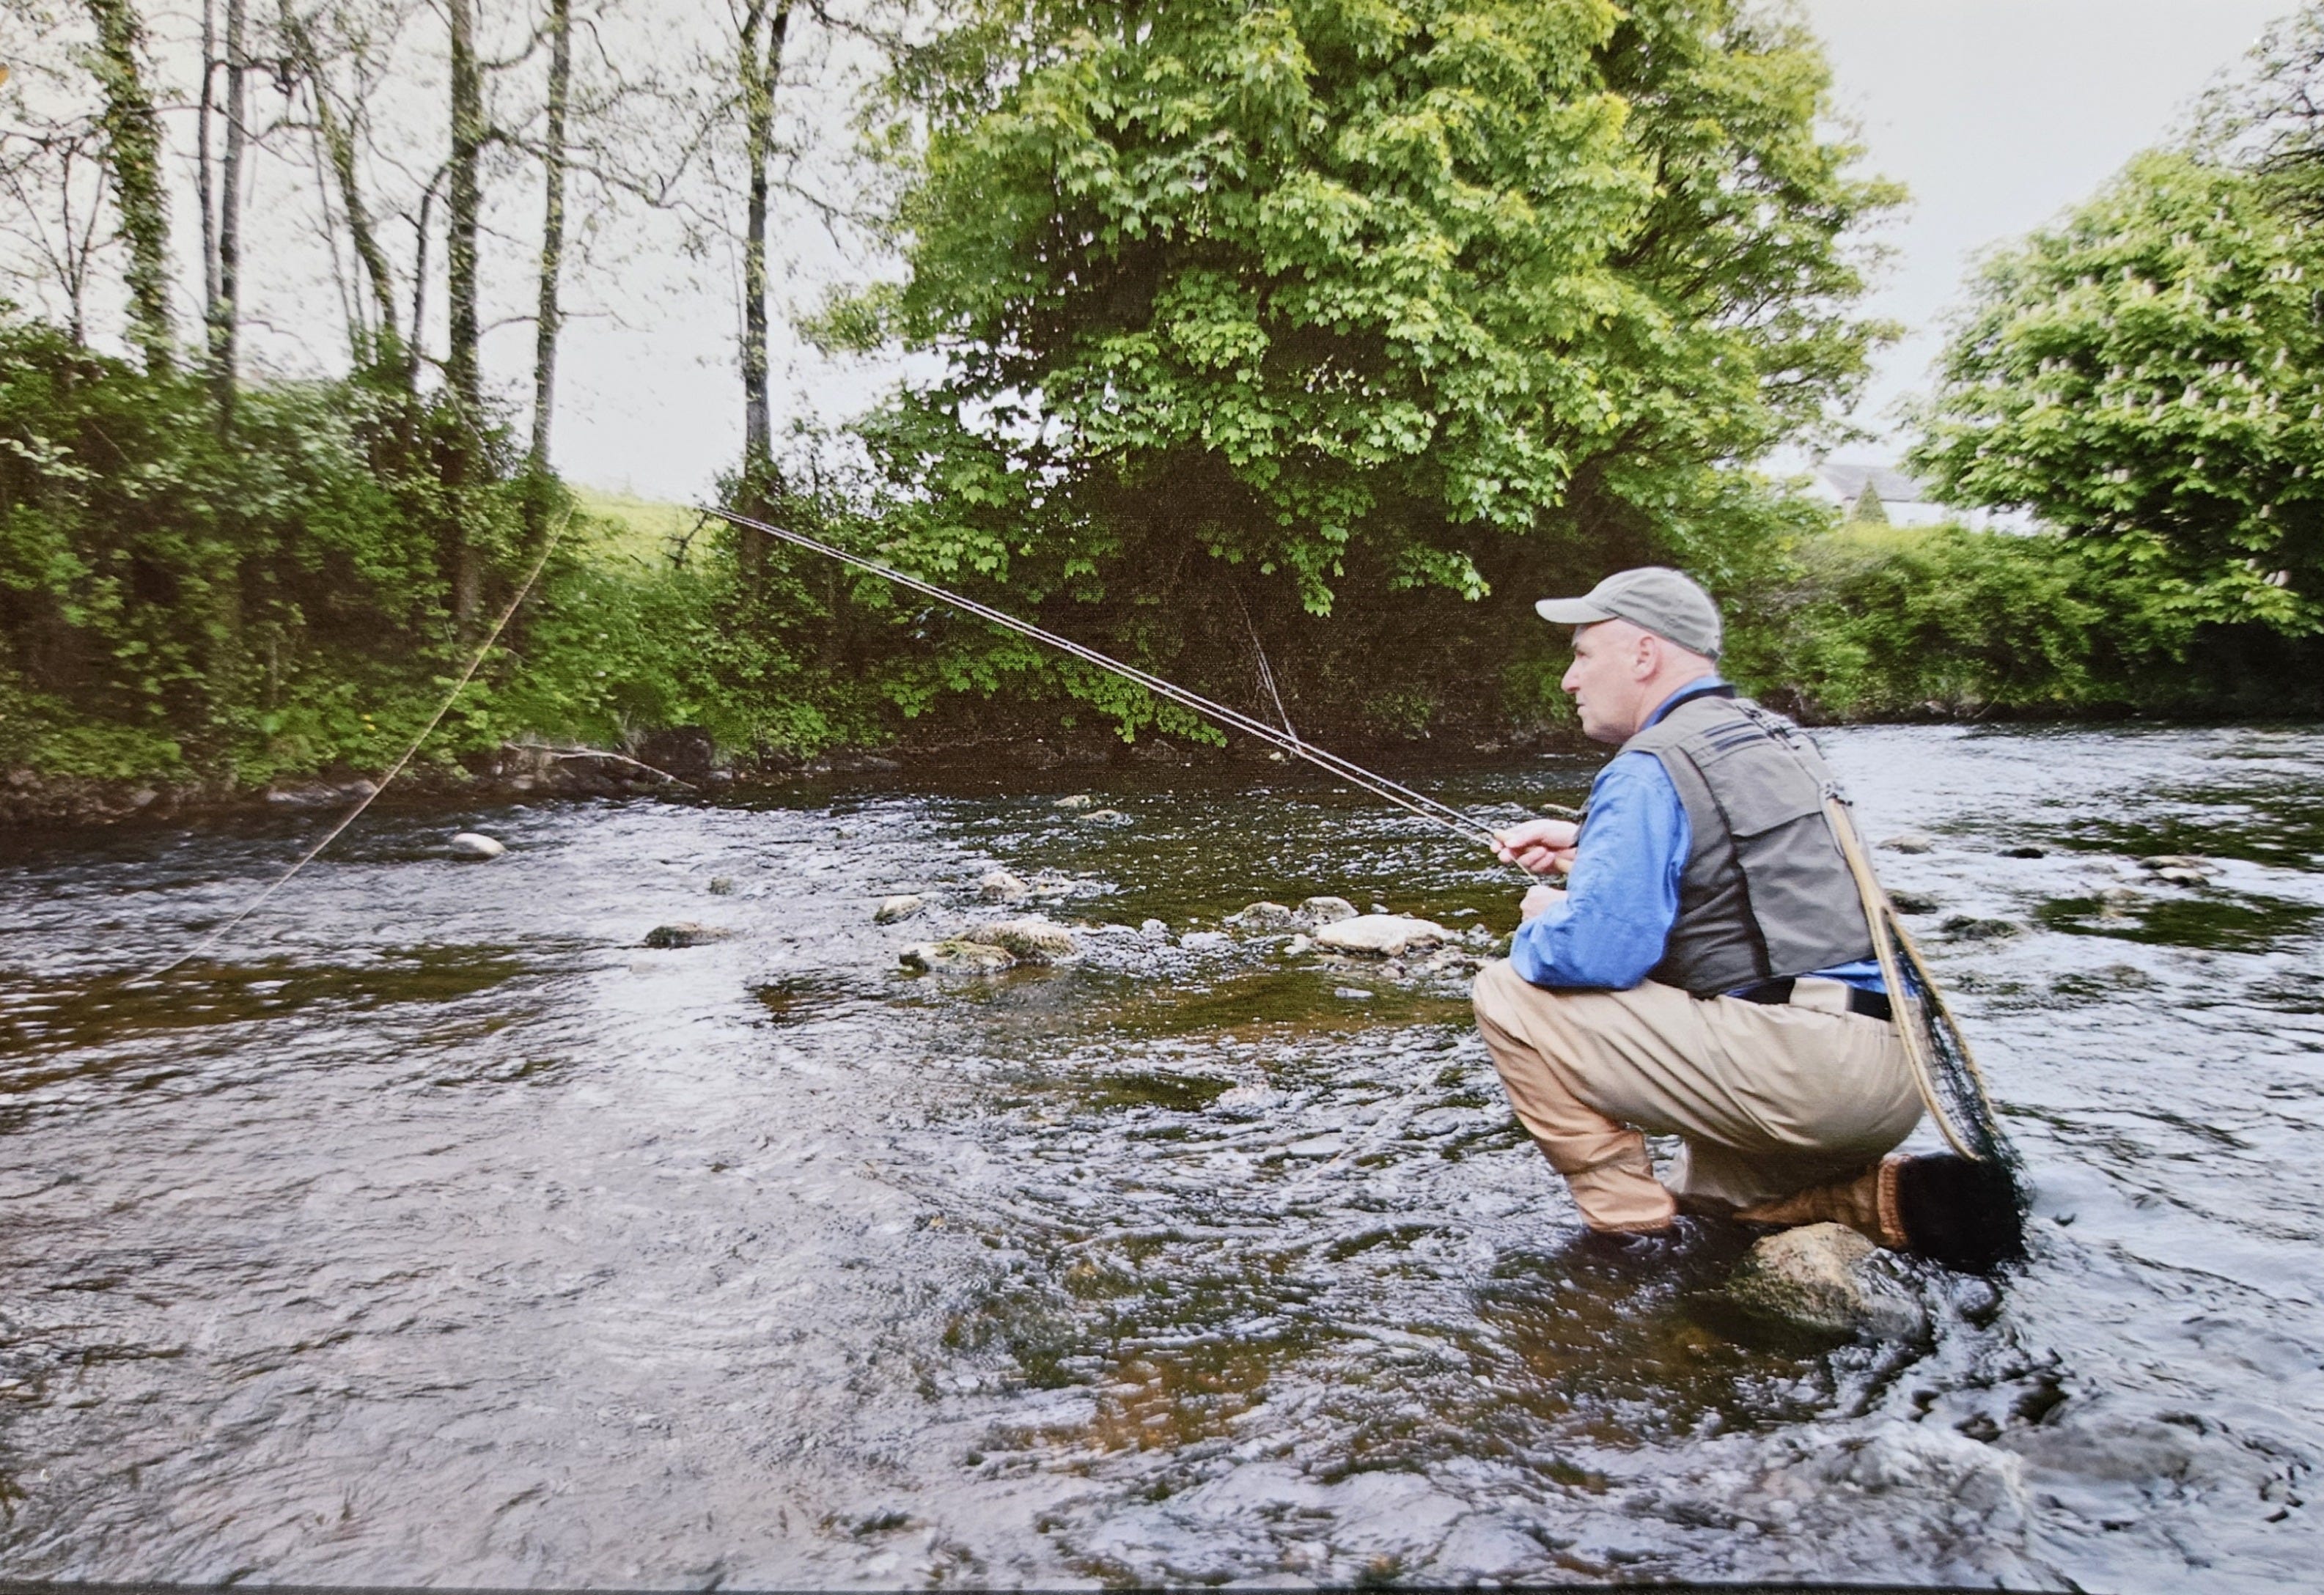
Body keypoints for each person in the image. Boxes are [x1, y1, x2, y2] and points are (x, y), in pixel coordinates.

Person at [1471, 566, 1923, 1243]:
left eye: (1583, 654)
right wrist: (1593, 850)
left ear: (1644, 654)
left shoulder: (1647, 765)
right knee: (1703, 1198)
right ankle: (1862, 1199)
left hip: (1807, 1076)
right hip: (1901, 1076)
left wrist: (1550, 918)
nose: (1570, 679)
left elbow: (1598, 953)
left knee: (1508, 989)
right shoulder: (1779, 737)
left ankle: (1625, 1234)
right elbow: (1754, 884)